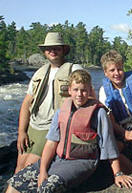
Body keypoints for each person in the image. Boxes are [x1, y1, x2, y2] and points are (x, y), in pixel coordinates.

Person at [6, 70, 132, 193]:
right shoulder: (61, 112)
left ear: (90, 90)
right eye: (76, 90)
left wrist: (118, 174)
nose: (79, 94)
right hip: (57, 159)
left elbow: (108, 145)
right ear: (69, 91)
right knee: (15, 182)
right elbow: (51, 143)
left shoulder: (99, 113)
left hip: (81, 162)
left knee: (46, 188)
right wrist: (43, 170)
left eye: (84, 90)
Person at [14, 32, 87, 174]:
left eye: (56, 48)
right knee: (19, 167)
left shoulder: (74, 69)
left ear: (63, 50)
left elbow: (88, 95)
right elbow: (26, 104)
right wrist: (21, 132)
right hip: (33, 126)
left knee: (28, 168)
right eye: (49, 48)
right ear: (44, 52)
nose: (52, 51)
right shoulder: (39, 72)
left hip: (53, 127)